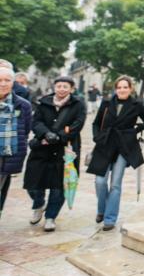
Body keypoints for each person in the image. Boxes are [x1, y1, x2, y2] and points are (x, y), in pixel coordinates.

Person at [87, 75, 144, 231]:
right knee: (100, 182)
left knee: (115, 184)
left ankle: (110, 218)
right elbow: (96, 123)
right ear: (115, 89)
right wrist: (97, 137)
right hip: (105, 145)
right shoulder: (106, 103)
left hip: (124, 146)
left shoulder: (137, 104)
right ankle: (102, 209)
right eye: (119, 87)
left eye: (125, 87)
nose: (122, 90)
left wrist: (141, 126)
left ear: (130, 89)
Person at [24, 76, 86, 232]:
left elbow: (78, 124)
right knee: (33, 182)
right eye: (59, 86)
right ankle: (39, 204)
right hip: (42, 146)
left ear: (71, 89)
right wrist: (46, 134)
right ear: (54, 87)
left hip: (65, 150)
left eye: (65, 86)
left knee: (58, 186)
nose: (62, 89)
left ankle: (50, 217)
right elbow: (36, 122)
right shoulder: (43, 102)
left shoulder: (78, 104)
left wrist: (59, 136)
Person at [0, 66, 32, 220]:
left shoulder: (23, 105)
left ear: (13, 82)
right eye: (0, 80)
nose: (3, 84)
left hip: (6, 155)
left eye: (7, 80)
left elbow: (25, 131)